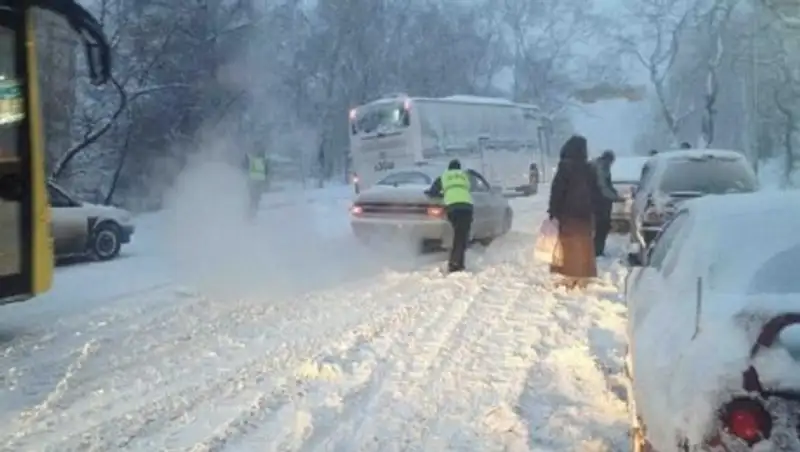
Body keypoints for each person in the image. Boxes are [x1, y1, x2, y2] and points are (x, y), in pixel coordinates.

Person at [547, 135, 598, 289]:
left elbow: (557, 190)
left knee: (568, 245)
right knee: (584, 245)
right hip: (585, 214)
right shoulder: (589, 168)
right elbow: (595, 192)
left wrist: (553, 211)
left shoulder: (565, 167)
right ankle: (583, 276)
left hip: (568, 214)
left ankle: (570, 276)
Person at [425, 159, 474, 273]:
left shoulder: (444, 176)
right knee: (462, 236)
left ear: (449, 168)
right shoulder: (465, 176)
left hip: (453, 207)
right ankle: (458, 263)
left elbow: (433, 192)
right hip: (467, 207)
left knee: (457, 235)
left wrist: (441, 193)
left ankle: (454, 264)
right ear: (459, 168)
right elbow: (470, 187)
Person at [590, 150, 623, 257]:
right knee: (602, 226)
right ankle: (597, 251)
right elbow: (603, 187)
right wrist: (615, 197)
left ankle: (596, 250)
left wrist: (614, 193)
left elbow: (607, 185)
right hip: (599, 203)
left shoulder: (599, 166)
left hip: (597, 202)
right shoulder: (601, 168)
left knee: (601, 227)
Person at [243, 150, 269, 219]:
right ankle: (251, 216)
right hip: (258, 184)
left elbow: (246, 167)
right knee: (255, 201)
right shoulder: (264, 161)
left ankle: (250, 215)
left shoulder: (253, 160)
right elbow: (266, 174)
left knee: (252, 200)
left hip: (253, 184)